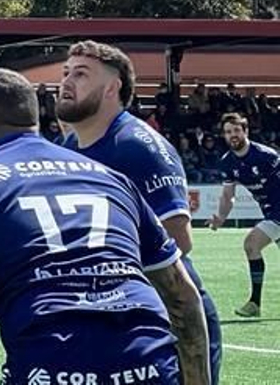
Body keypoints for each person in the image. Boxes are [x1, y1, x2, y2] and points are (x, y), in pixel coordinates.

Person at [0, 68, 211, 385]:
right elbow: (182, 294)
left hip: (53, 364)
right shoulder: (112, 178)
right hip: (149, 361)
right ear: (35, 121)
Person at [58, 41, 223, 378]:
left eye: (81, 74)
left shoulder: (140, 147)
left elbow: (179, 239)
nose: (66, 81)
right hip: (105, 318)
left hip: (163, 320)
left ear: (112, 88)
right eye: (65, 73)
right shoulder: (70, 145)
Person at [207, 111, 280, 317]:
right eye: (228, 132)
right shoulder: (227, 162)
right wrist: (220, 218)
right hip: (269, 211)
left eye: (237, 130)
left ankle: (254, 303)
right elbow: (228, 195)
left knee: (251, 244)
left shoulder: (266, 156)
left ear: (245, 131)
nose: (233, 135)